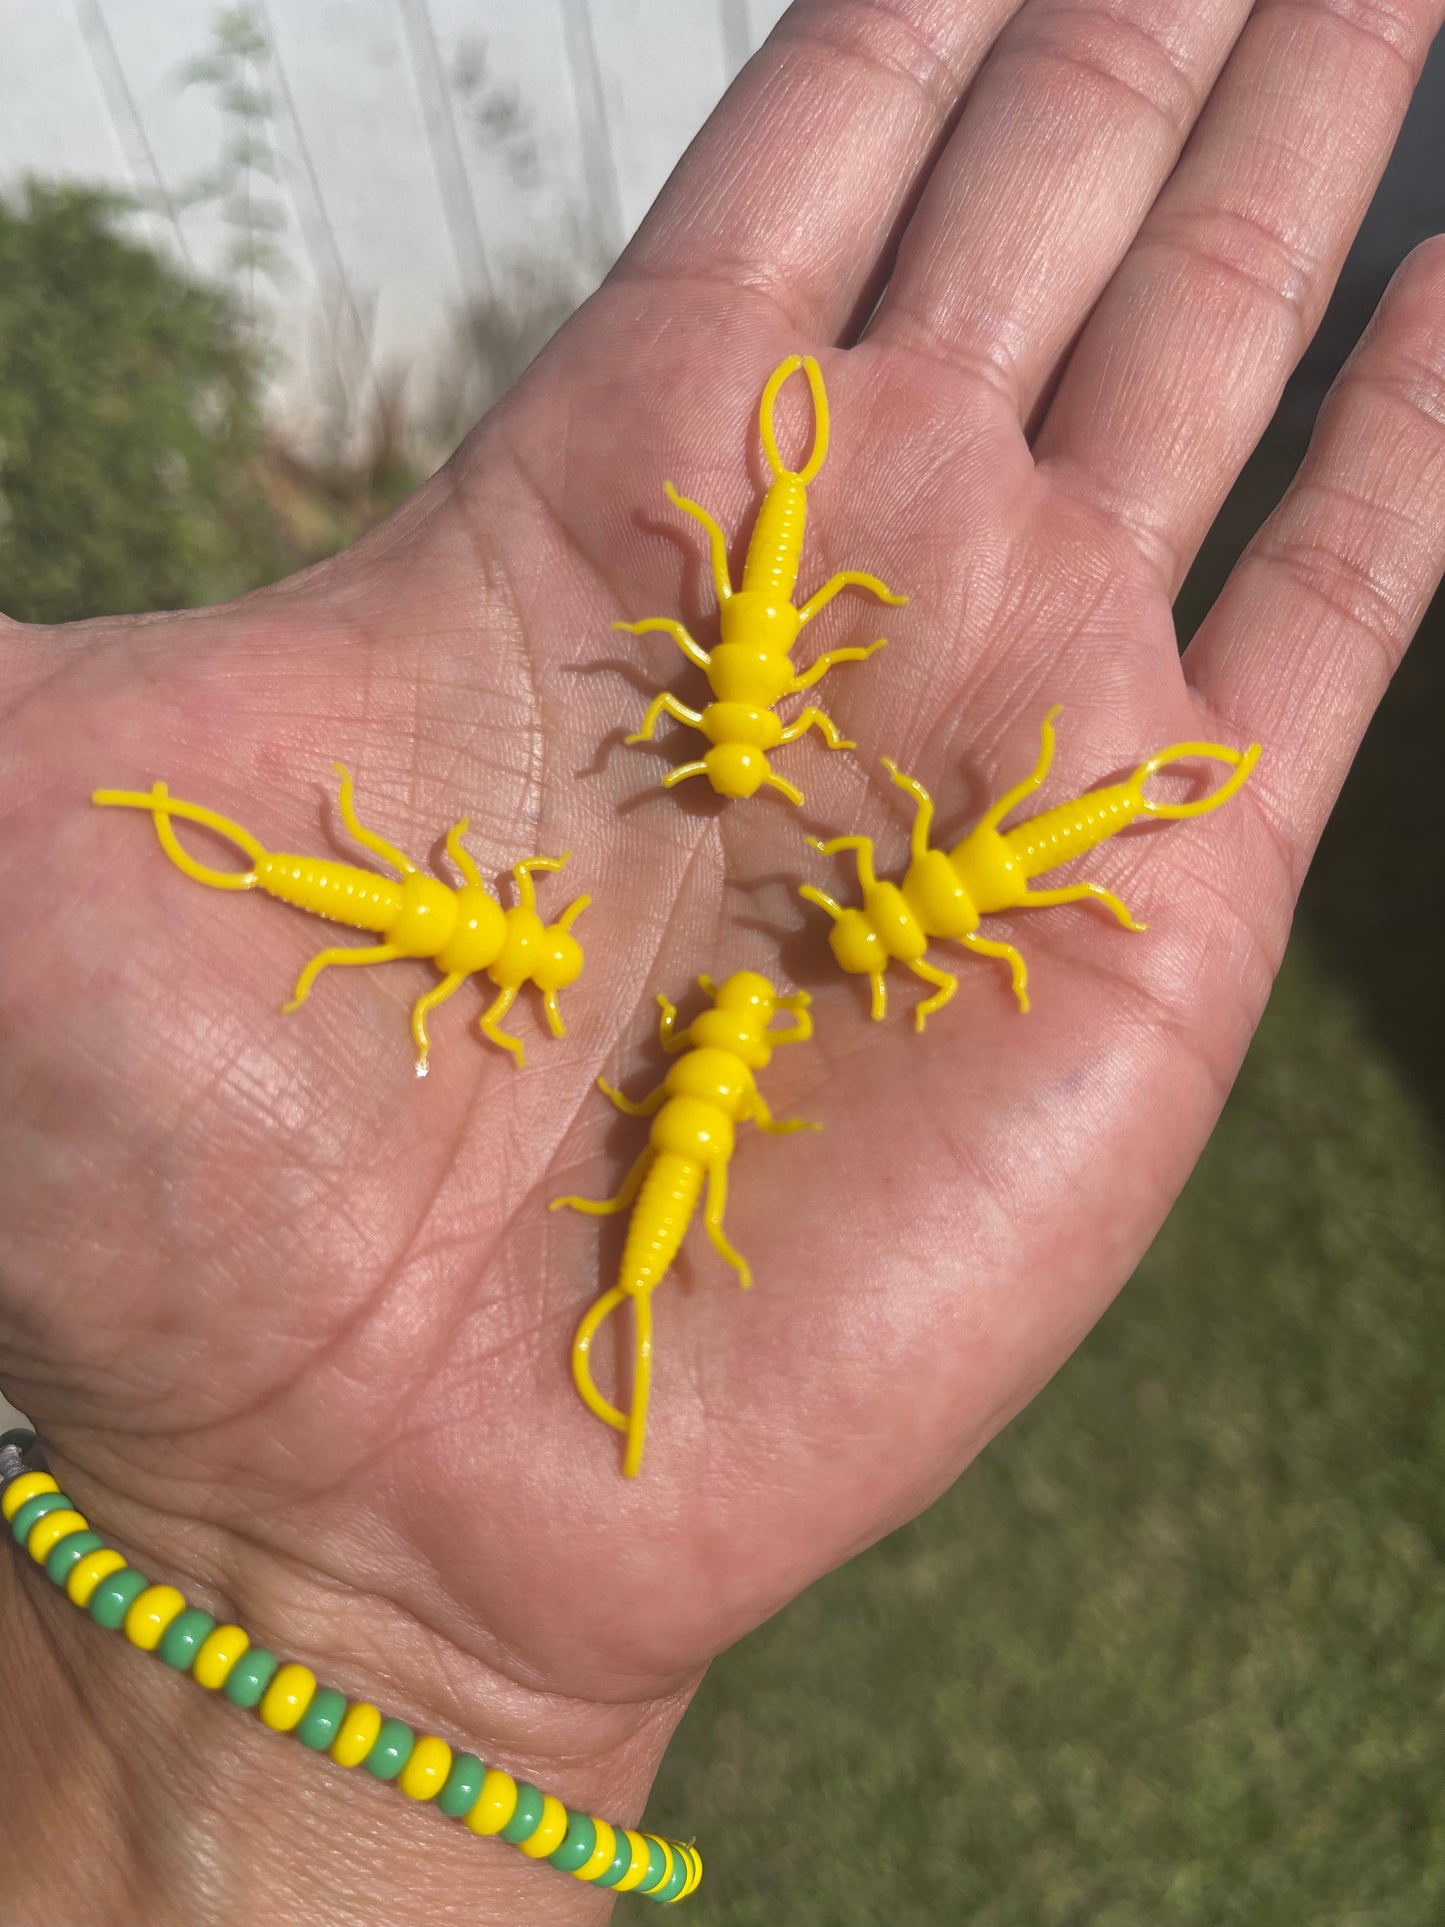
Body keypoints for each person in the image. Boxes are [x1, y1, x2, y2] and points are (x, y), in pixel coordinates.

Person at [2, 1, 1443, 1918]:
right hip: (620, 899)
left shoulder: (819, 878)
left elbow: (886, 867)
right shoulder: (783, 879)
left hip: (730, 885)